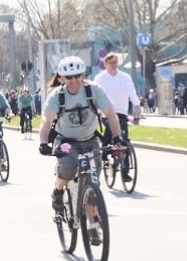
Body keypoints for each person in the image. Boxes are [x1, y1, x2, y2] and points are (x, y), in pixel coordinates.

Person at [38, 56, 126, 247]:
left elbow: (110, 114)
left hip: (91, 140)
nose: (74, 81)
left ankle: (93, 224)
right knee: (67, 169)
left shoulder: (93, 90)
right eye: (69, 77)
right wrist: (44, 142)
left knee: (94, 185)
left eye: (77, 76)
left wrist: (117, 137)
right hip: (66, 142)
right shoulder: (57, 96)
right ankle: (58, 191)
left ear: (83, 75)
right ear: (61, 78)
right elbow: (47, 121)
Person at [93, 53, 142, 182]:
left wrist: (137, 106)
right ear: (105, 64)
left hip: (121, 112)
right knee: (110, 131)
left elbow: (131, 92)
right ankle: (105, 154)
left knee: (124, 141)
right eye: (111, 63)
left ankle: (125, 171)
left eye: (115, 62)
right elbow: (96, 95)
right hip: (106, 112)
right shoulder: (100, 78)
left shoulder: (124, 77)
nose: (113, 65)